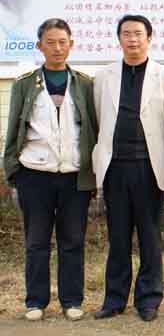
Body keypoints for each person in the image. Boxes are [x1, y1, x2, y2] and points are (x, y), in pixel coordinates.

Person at [3, 18, 97, 321]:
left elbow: (92, 130)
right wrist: (13, 171)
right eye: (50, 42)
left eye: (62, 42)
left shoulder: (84, 83)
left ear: (71, 45)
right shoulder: (25, 83)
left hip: (74, 175)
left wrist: (92, 174)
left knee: (72, 241)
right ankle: (35, 301)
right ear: (39, 46)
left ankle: (72, 300)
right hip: (34, 175)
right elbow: (14, 129)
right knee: (36, 241)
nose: (57, 48)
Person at [92, 14, 164, 322]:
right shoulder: (103, 77)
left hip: (149, 167)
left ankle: (148, 299)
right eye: (126, 33)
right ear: (119, 39)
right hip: (114, 167)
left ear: (149, 38)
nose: (132, 39)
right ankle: (114, 299)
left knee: (149, 236)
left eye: (138, 33)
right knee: (117, 237)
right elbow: (99, 119)